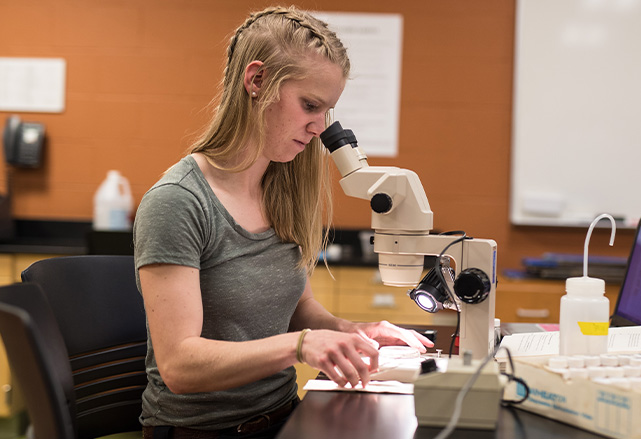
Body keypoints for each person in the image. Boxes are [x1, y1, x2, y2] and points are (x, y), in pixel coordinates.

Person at [133, 6, 433, 439]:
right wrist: (301, 345)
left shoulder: (282, 193)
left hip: (282, 414)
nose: (318, 128)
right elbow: (179, 365)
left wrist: (356, 332)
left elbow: (299, 308)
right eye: (309, 105)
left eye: (326, 111)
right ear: (256, 81)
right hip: (201, 430)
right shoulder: (179, 202)